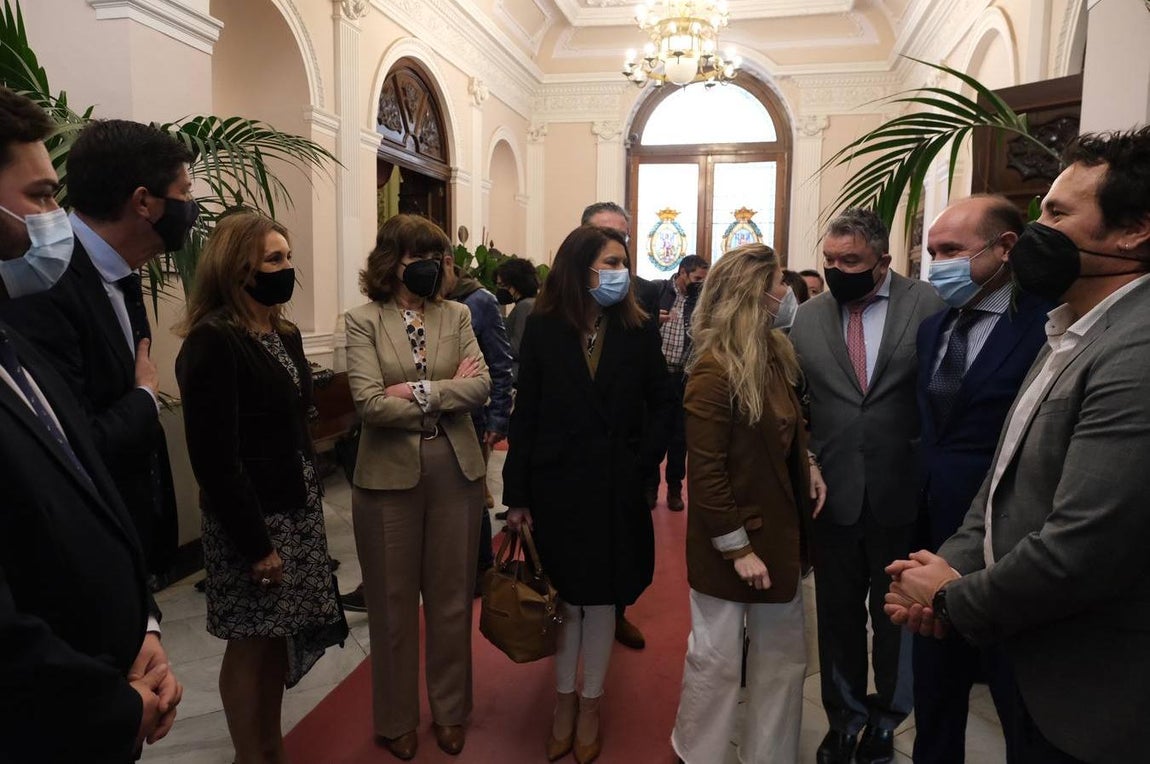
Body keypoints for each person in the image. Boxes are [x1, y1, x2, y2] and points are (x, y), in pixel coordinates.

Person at [886, 127, 1150, 764]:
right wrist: (947, 564)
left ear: (1134, 231)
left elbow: (1083, 545)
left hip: (1089, 680)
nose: (1038, 231)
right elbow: (1002, 477)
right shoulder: (1069, 329)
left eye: (1057, 213)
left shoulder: (1136, 348)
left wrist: (948, 597)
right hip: (1004, 599)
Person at [0, 87, 182, 762]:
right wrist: (115, 705)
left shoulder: (18, 341)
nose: (57, 219)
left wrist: (142, 623)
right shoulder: (42, 298)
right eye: (42, 196)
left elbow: (76, 477)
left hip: (113, 668)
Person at [174, 212, 347, 764]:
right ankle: (252, 755)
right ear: (237, 268)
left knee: (278, 635)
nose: (287, 268)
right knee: (251, 641)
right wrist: (256, 545)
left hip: (294, 507)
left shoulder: (283, 333)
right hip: (250, 519)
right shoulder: (212, 341)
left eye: (288, 257)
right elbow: (215, 460)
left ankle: (270, 748)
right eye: (274, 259)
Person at [0, 118, 194, 585]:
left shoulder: (121, 274)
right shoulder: (39, 283)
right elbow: (70, 446)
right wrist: (144, 397)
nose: (191, 207)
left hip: (129, 547)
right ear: (144, 202)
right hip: (80, 564)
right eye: (185, 193)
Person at [503, 224, 669, 764]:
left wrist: (643, 462)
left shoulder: (637, 328)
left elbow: (663, 402)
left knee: (600, 600)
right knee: (566, 599)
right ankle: (563, 700)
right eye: (611, 263)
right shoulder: (545, 327)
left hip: (616, 486)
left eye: (624, 263)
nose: (622, 273)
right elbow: (526, 414)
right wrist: (517, 495)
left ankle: (591, 702)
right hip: (557, 484)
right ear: (580, 268)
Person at [788, 208, 945, 764]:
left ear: (882, 260)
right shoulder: (807, 318)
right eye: (830, 259)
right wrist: (807, 458)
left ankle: (887, 717)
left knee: (896, 613)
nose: (837, 270)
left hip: (902, 490)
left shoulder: (928, 305)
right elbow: (796, 403)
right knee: (836, 615)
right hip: (831, 493)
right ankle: (844, 717)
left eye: (851, 260)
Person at [671, 243, 826, 764]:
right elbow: (706, 471)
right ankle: (698, 752)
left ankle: (769, 754)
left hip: (779, 535)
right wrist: (737, 549)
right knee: (715, 661)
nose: (788, 291)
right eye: (780, 282)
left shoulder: (775, 354)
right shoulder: (714, 369)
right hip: (730, 540)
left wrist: (810, 465)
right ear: (755, 293)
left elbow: (787, 432)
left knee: (782, 660)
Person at [344, 214, 490, 760]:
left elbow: (482, 386)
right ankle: (396, 718)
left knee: (452, 600)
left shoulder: (457, 314)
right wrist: (448, 390)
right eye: (418, 257)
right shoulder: (362, 320)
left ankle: (451, 710)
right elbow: (370, 405)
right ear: (392, 261)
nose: (431, 266)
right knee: (391, 604)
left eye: (437, 256)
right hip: (387, 476)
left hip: (456, 468)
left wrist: (416, 392)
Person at [911, 194, 1051, 763]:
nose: (937, 264)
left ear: (1005, 248)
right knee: (934, 687)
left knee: (1014, 695)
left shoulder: (1047, 325)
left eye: (951, 251)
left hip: (1007, 540)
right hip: (930, 534)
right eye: (932, 253)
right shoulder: (933, 329)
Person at [579, 200, 656, 651]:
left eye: (622, 238)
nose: (616, 251)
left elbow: (657, 395)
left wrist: (646, 458)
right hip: (572, 462)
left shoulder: (638, 299)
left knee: (623, 546)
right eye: (603, 235)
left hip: (627, 454)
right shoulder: (557, 307)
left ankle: (616, 614)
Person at [443, 260, 514, 587]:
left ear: (448, 263)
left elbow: (500, 363)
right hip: (434, 418)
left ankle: (480, 569)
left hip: (470, 415)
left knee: (472, 496)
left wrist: (498, 416)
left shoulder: (480, 301)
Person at [646, 254, 708, 512]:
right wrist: (652, 319)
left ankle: (674, 489)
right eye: (697, 278)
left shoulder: (701, 300)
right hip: (658, 376)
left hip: (685, 377)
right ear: (682, 272)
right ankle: (650, 488)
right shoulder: (657, 291)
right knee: (653, 432)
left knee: (680, 436)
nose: (700, 284)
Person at [494, 255, 539, 384]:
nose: (499, 290)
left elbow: (518, 348)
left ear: (516, 284)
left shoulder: (525, 306)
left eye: (502, 285)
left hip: (516, 378)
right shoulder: (533, 303)